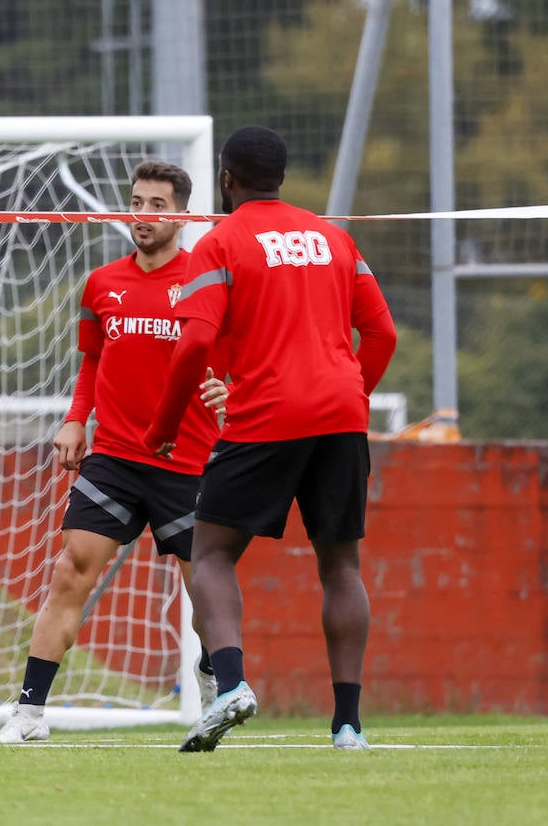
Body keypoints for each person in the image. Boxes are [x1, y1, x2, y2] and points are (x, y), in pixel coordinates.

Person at [143, 126, 397, 752]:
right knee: (340, 565)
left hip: (265, 416)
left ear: (227, 179)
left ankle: (230, 685)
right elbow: (383, 333)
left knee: (210, 554)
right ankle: (347, 726)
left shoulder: (221, 241)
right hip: (341, 415)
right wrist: (349, 396)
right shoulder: (334, 238)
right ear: (281, 176)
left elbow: (197, 342)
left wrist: (165, 427)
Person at [0, 160, 229, 744]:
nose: (143, 216)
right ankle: (28, 715)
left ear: (183, 213)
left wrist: (234, 389)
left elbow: (240, 353)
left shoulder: (209, 280)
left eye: (157, 206)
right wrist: (75, 420)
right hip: (115, 459)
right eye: (136, 203)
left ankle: (212, 674)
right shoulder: (101, 284)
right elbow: (93, 361)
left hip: (189, 461)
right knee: (69, 572)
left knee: (208, 588)